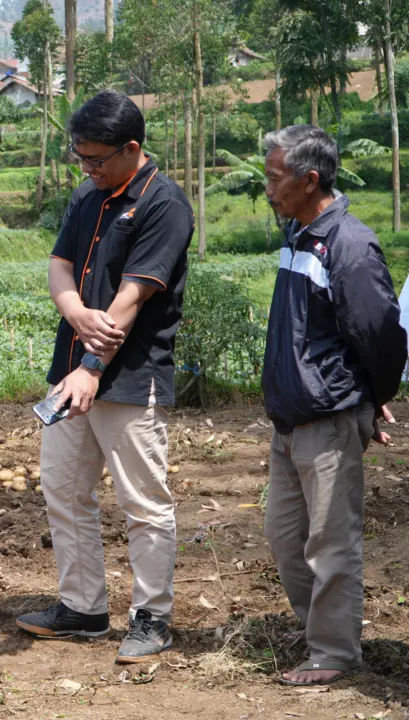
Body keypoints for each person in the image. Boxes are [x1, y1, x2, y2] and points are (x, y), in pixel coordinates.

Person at [15, 90, 194, 664]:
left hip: (128, 378)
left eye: (96, 159)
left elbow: (131, 300)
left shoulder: (165, 205)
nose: (87, 168)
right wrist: (72, 312)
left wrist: (92, 369)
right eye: (80, 157)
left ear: (131, 149)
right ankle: (84, 608)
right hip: (71, 372)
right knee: (64, 489)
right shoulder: (87, 196)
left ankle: (152, 617)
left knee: (143, 501)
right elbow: (60, 264)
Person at [260, 125, 406, 686]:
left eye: (276, 178)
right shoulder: (297, 234)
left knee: (329, 540)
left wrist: (372, 400)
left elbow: (383, 337)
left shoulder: (350, 245)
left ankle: (335, 653)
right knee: (284, 534)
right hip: (290, 419)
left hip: (328, 418)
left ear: (309, 179)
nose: (268, 187)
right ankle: (320, 632)